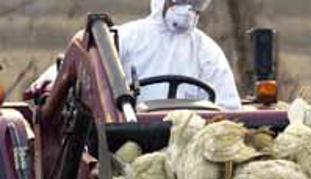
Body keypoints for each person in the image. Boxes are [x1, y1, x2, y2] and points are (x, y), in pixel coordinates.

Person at [29, 0, 242, 110]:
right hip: (128, 146)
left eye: (195, 1)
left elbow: (229, 110)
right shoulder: (125, 39)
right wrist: (47, 86)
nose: (188, 7)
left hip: (189, 153)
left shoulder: (208, 52)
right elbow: (79, 62)